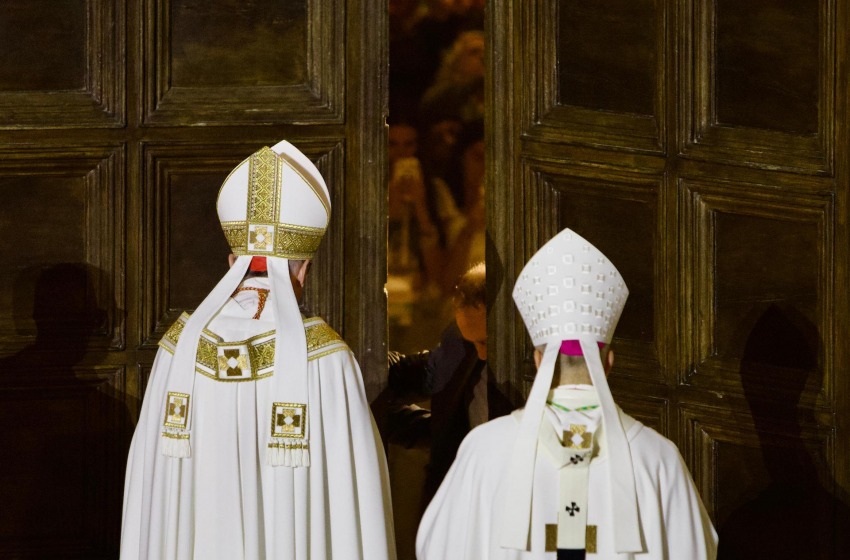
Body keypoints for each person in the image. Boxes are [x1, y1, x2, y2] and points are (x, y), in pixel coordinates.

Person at [120, 141, 396, 559]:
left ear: (233, 262)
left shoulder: (178, 349)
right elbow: (353, 492)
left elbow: (149, 481)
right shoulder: (325, 357)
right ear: (305, 268)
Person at [416, 228, 717, 559]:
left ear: (538, 359)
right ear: (610, 362)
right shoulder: (658, 460)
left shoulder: (483, 451)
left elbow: (438, 548)